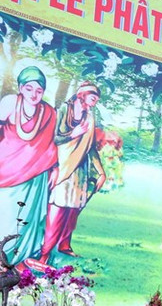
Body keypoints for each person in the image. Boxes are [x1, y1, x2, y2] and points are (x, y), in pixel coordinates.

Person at [40, 81, 106, 265]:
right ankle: (44, 253)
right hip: (62, 166)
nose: (95, 101)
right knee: (58, 208)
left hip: (81, 169)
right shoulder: (64, 110)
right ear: (82, 94)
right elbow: (54, 138)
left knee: (74, 210)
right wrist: (73, 134)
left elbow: (91, 147)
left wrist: (101, 172)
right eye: (93, 97)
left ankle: (64, 245)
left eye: (97, 99)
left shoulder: (90, 118)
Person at [0, 66, 58, 269]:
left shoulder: (49, 112)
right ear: (20, 88)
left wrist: (55, 168)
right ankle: (3, 256)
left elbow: (50, 144)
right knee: (6, 212)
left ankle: (25, 257)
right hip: (7, 171)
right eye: (29, 89)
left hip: (37, 173)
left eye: (39, 90)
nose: (34, 94)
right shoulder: (9, 103)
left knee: (30, 215)